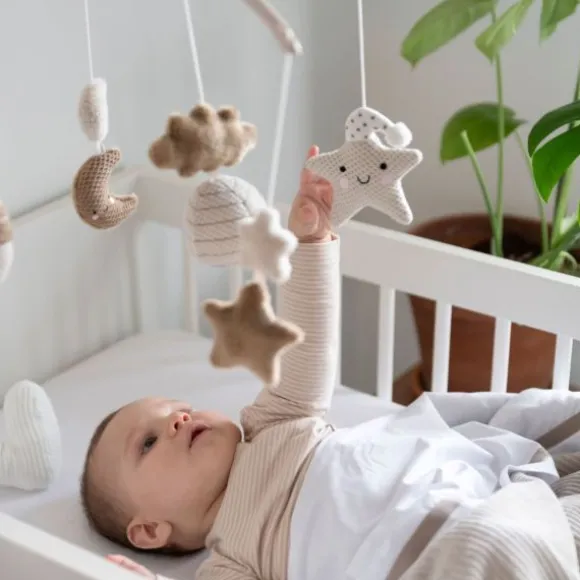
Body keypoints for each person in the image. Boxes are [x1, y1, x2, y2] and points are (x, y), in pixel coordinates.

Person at [82, 145, 565, 580]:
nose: (179, 420)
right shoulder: (234, 561)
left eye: (178, 407)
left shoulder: (274, 423)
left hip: (473, 497)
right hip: (433, 558)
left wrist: (311, 243)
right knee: (491, 545)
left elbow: (306, 342)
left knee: (540, 460)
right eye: (148, 442)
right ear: (150, 530)